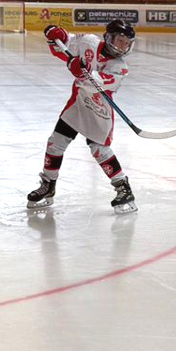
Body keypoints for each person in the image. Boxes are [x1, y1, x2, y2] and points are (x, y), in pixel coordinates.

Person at [27, 20, 139, 214]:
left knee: (99, 149)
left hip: (98, 108)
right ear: (109, 37)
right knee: (55, 142)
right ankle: (48, 185)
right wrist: (58, 35)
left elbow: (99, 83)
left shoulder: (120, 67)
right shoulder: (88, 42)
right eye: (120, 40)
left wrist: (81, 70)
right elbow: (67, 44)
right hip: (78, 103)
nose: (123, 46)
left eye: (126, 43)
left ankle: (123, 188)